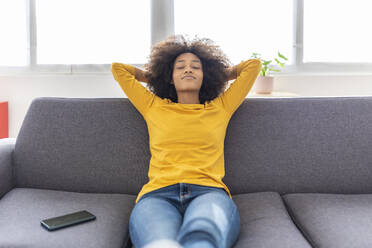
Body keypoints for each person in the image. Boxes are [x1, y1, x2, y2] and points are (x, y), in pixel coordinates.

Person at [111, 34, 262, 248]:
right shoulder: (153, 106)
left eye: (196, 67)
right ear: (170, 77)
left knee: (202, 238)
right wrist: (158, 77)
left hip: (208, 191)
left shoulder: (221, 107)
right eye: (180, 67)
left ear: (204, 75)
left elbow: (253, 66)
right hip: (158, 194)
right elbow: (119, 69)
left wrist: (216, 75)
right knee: (160, 242)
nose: (188, 70)